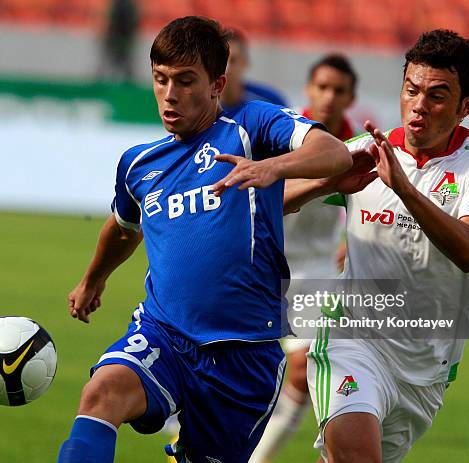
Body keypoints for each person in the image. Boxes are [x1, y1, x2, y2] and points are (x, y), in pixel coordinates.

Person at [57, 16, 352, 463]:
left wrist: (273, 167)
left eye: (185, 81)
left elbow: (333, 153)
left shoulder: (250, 127)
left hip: (244, 353)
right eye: (161, 80)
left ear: (217, 84)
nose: (170, 94)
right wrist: (92, 279)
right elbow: (122, 227)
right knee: (102, 394)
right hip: (163, 333)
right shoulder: (138, 165)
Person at [284, 29, 469, 462]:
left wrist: (405, 190)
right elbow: (272, 204)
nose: (419, 106)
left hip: (425, 367)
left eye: (437, 96)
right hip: (351, 340)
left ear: (466, 107)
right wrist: (324, 182)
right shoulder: (367, 152)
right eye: (412, 90)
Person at [251, 53, 361, 463]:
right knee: (242, 370)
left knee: (303, 372)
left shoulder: (359, 148)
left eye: (339, 90)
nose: (329, 96)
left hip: (314, 273)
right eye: (323, 87)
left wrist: (354, 237)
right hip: (262, 265)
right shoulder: (286, 133)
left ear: (351, 98)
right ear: (309, 90)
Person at [220, 28, 288, 112]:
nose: (227, 68)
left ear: (245, 63)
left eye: (233, 60)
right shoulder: (202, 105)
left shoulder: (272, 102)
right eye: (221, 61)